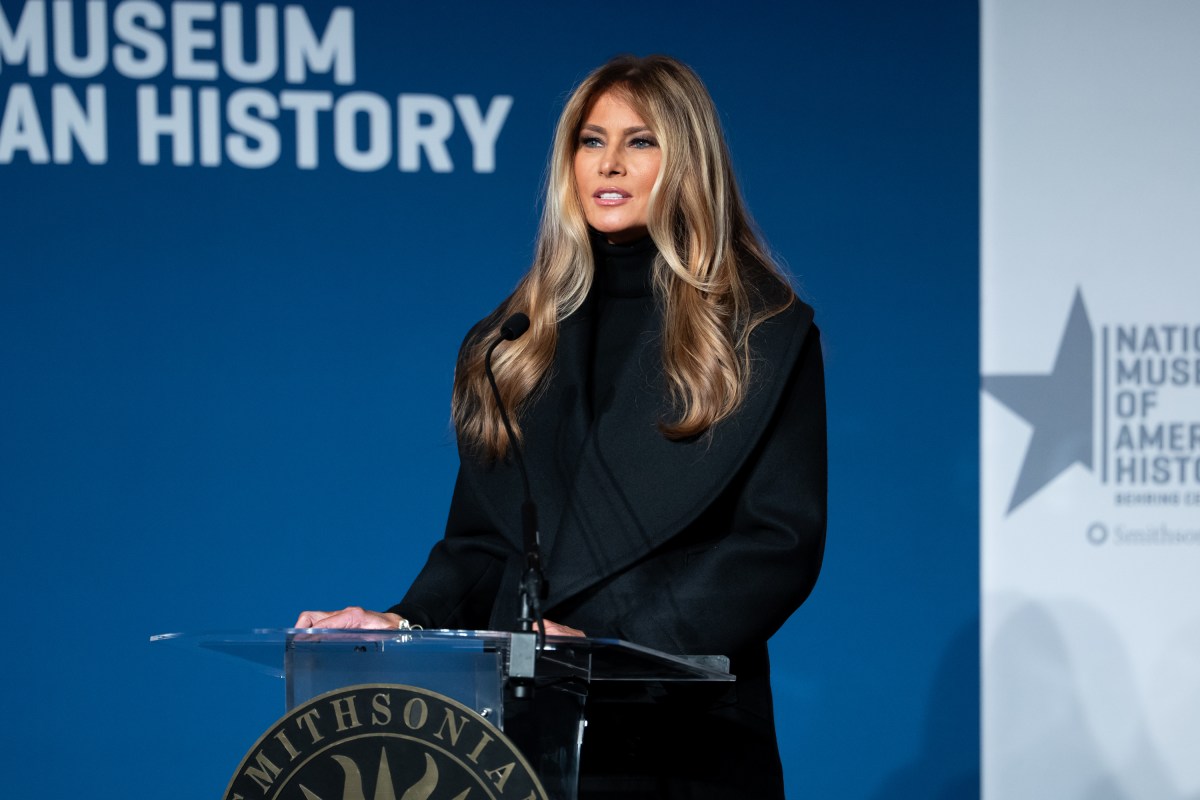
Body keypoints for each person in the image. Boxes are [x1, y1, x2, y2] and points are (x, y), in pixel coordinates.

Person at [296, 54, 826, 799]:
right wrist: (401, 621)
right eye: (590, 140)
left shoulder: (761, 333)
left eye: (641, 142)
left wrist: (617, 645)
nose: (609, 163)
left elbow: (778, 542)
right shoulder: (513, 340)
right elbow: (481, 545)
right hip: (529, 730)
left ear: (688, 161)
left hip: (680, 729)